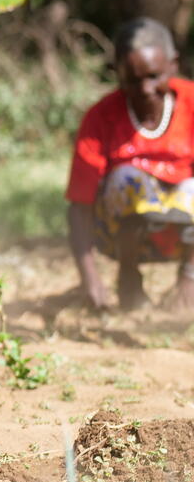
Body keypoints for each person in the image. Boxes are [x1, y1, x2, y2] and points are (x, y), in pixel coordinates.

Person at [66, 17, 194, 311]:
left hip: (184, 236)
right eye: (133, 80)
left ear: (173, 65)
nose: (146, 89)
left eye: (154, 76)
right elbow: (80, 207)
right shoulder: (101, 117)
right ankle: (128, 276)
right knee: (126, 179)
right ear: (118, 74)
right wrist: (90, 279)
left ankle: (186, 281)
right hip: (118, 237)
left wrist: (191, 275)